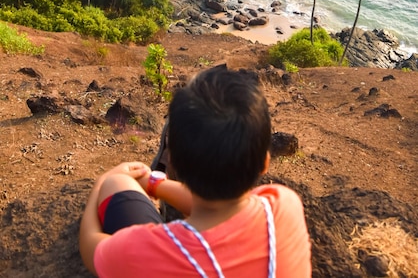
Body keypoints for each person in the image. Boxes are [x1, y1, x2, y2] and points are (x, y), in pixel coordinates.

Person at [79, 65, 311, 277]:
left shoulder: (141, 253)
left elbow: (91, 248)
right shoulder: (283, 207)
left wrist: (102, 182)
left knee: (116, 184)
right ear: (264, 163)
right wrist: (153, 184)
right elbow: (222, 207)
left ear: (173, 164)